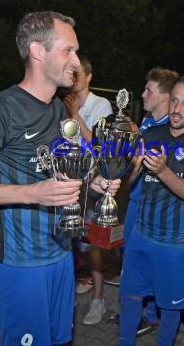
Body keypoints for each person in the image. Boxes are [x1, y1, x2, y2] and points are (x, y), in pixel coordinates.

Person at [0, 11, 120, 345]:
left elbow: (58, 171)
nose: (75, 60)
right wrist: (33, 193)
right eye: (67, 50)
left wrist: (94, 182)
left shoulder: (58, 109)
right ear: (38, 51)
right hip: (22, 263)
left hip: (61, 254)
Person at [119, 76, 184, 346]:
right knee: (130, 298)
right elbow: (128, 185)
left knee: (170, 309)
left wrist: (162, 170)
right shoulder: (151, 134)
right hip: (141, 234)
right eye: (175, 100)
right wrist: (133, 167)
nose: (177, 108)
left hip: (175, 242)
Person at [111, 66, 178, 333]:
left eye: (149, 89)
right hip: (135, 204)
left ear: (164, 96)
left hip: (153, 211)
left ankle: (149, 314)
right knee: (130, 258)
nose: (143, 94)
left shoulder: (172, 130)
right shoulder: (148, 123)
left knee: (147, 264)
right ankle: (139, 313)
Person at [64, 54, 114, 325]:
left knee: (92, 242)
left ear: (89, 75)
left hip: (93, 184)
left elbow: (96, 142)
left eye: (77, 74)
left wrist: (74, 115)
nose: (73, 78)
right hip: (67, 183)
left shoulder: (101, 104)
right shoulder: (64, 103)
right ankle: (69, 289)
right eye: (69, 73)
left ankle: (99, 299)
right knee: (70, 239)